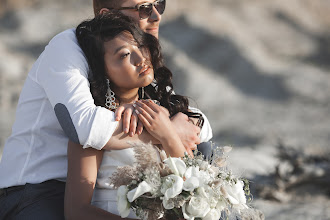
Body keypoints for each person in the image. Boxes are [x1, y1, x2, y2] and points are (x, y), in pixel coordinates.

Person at [0, 0, 212, 219]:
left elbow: (195, 120)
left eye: (159, 4)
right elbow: (82, 128)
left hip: (94, 189)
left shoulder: (140, 61)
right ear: (106, 14)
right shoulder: (68, 47)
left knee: (204, 152)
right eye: (144, 8)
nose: (156, 16)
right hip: (37, 189)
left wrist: (174, 124)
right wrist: (163, 131)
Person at [65, 11, 202, 219]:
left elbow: (194, 185)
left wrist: (168, 134)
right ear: (103, 71)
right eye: (124, 55)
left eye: (139, 45)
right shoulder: (97, 127)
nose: (141, 58)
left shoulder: (163, 113)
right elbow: (76, 211)